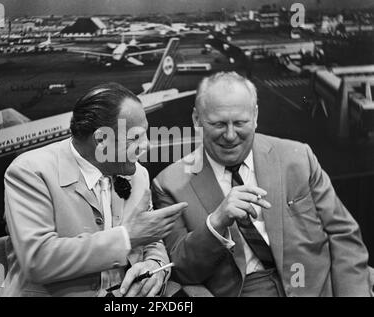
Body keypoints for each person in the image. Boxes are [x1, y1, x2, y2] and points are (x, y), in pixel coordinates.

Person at [152, 72, 372, 297]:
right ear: (197, 120)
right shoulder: (170, 184)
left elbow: (343, 234)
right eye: (218, 124)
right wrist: (216, 223)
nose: (230, 135)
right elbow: (182, 271)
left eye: (240, 122)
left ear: (255, 116)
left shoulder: (297, 157)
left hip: (313, 285)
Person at [0, 82, 188, 297]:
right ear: (101, 139)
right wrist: (126, 238)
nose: (147, 146)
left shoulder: (138, 175)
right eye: (135, 137)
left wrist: (155, 267)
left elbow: (150, 237)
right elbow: (38, 260)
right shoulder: (30, 172)